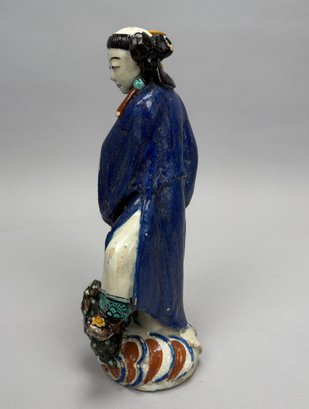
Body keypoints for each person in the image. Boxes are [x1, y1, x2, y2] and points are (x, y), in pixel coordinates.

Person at [97, 26, 199, 334]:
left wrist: (113, 205)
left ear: (139, 63)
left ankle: (115, 325)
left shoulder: (143, 106)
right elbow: (191, 153)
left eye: (115, 65)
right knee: (160, 268)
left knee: (120, 254)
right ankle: (155, 323)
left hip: (150, 201)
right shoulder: (172, 99)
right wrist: (179, 195)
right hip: (167, 202)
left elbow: (120, 160)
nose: (111, 75)